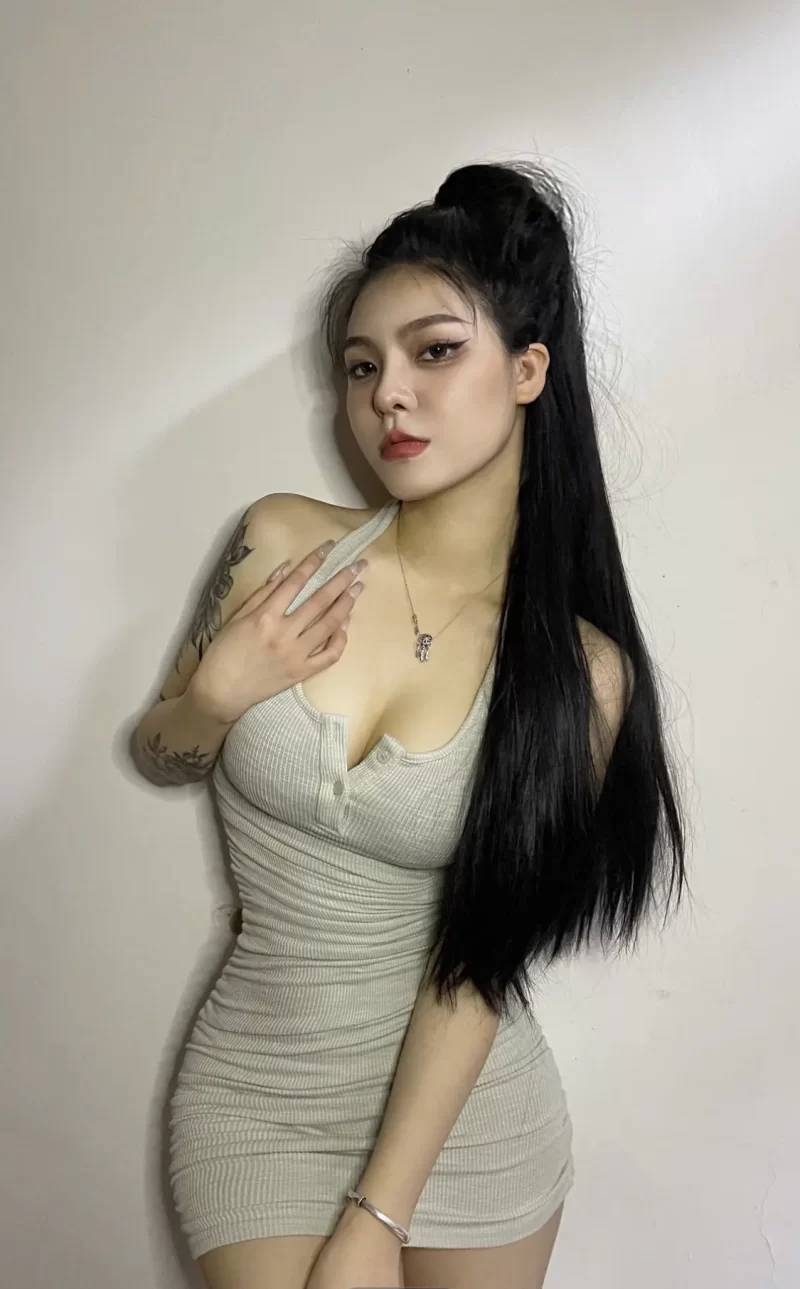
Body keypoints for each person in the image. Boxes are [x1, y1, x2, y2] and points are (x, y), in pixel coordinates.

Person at [131, 159, 688, 1289]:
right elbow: (161, 751)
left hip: (467, 1123)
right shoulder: (280, 543)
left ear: (527, 370)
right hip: (257, 1097)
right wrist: (216, 694)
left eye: (433, 352)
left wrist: (377, 1216)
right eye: (361, 365)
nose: (388, 392)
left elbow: (477, 963)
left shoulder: (580, 674)